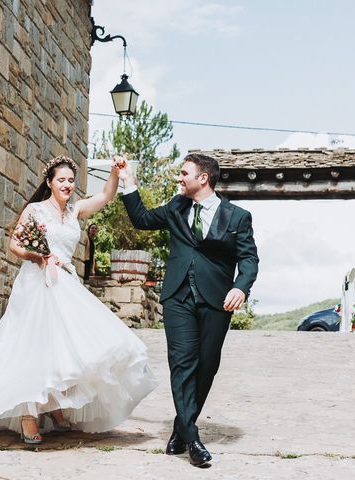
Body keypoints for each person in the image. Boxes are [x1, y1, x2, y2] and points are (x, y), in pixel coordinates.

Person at [0, 155, 158, 444]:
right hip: (37, 282)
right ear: (49, 183)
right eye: (61, 180)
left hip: (66, 282)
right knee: (33, 347)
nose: (67, 185)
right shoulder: (35, 210)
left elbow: (106, 195)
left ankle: (53, 405)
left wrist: (116, 173)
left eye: (70, 180)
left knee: (68, 348)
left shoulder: (75, 211)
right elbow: (15, 245)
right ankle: (28, 415)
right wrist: (39, 257)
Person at [120, 153, 259, 467]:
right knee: (181, 363)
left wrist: (241, 286)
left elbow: (249, 259)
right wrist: (128, 182)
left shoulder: (238, 216)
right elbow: (141, 220)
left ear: (203, 178)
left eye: (184, 173)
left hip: (217, 300)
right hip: (178, 296)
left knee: (206, 365)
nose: (179, 178)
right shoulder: (175, 207)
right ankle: (193, 439)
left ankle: (181, 427)